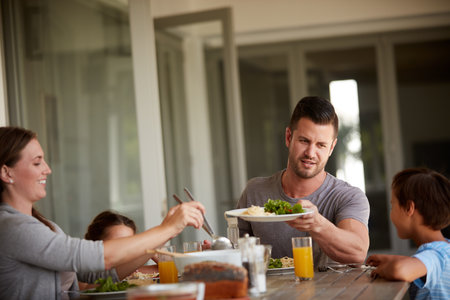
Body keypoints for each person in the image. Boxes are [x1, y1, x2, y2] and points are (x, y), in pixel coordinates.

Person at [0, 126, 205, 300]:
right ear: (6, 172)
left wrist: (167, 233)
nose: (47, 169)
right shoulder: (11, 228)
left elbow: (99, 274)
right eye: (37, 162)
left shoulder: (45, 225)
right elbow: (100, 257)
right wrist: (166, 228)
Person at [237, 96, 370, 268]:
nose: (310, 153)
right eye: (304, 141)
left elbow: (357, 253)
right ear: (288, 137)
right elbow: (238, 253)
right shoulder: (255, 191)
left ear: (331, 148)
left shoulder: (348, 196)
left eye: (321, 145)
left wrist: (317, 224)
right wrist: (219, 249)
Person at [367, 168, 450, 300]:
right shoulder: (445, 248)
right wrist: (392, 259)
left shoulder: (436, 254)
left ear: (408, 208)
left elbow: (399, 270)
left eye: (392, 205)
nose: (391, 214)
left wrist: (383, 270)